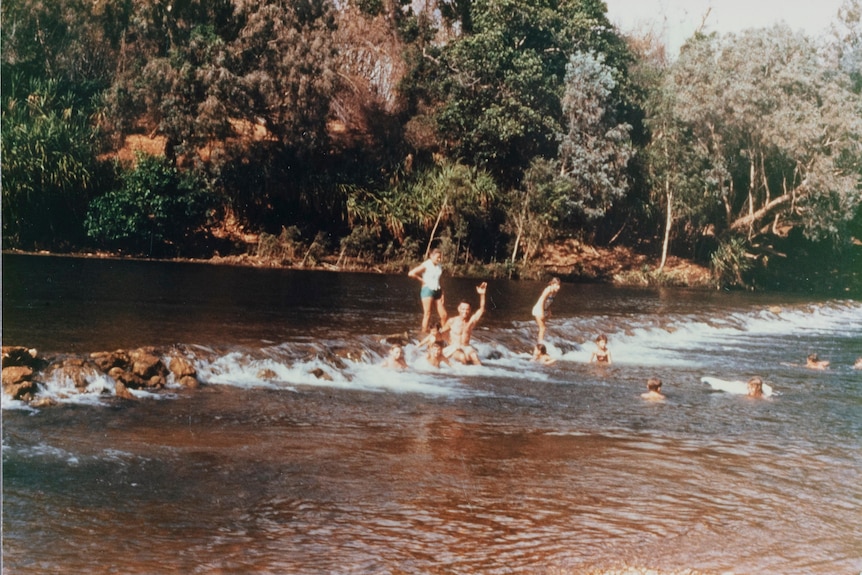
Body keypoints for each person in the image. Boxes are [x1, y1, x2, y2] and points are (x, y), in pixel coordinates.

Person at [441, 282, 488, 365]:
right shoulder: (452, 321)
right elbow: (441, 334)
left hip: (466, 347)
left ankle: (480, 375)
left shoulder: (471, 322)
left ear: (470, 310)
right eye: (463, 309)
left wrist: (482, 294)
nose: (465, 311)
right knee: (463, 357)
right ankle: (464, 376)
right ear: (458, 309)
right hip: (454, 348)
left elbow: (481, 309)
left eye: (467, 309)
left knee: (475, 357)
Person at [408, 248, 447, 333]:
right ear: (431, 256)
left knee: (444, 315)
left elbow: (440, 280)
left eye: (440, 257)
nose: (439, 259)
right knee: (427, 314)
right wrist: (422, 280)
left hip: (438, 290)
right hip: (427, 290)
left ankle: (444, 334)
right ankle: (423, 332)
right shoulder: (426, 265)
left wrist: (443, 293)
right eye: (438, 257)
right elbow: (411, 273)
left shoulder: (439, 266)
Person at [532, 277, 561, 343]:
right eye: (557, 285)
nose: (558, 287)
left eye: (559, 285)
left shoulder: (554, 292)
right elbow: (542, 300)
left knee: (543, 328)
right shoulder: (548, 290)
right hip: (538, 309)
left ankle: (540, 343)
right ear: (553, 284)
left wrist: (549, 310)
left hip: (544, 309)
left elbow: (549, 302)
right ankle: (539, 344)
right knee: (542, 328)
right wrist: (542, 312)